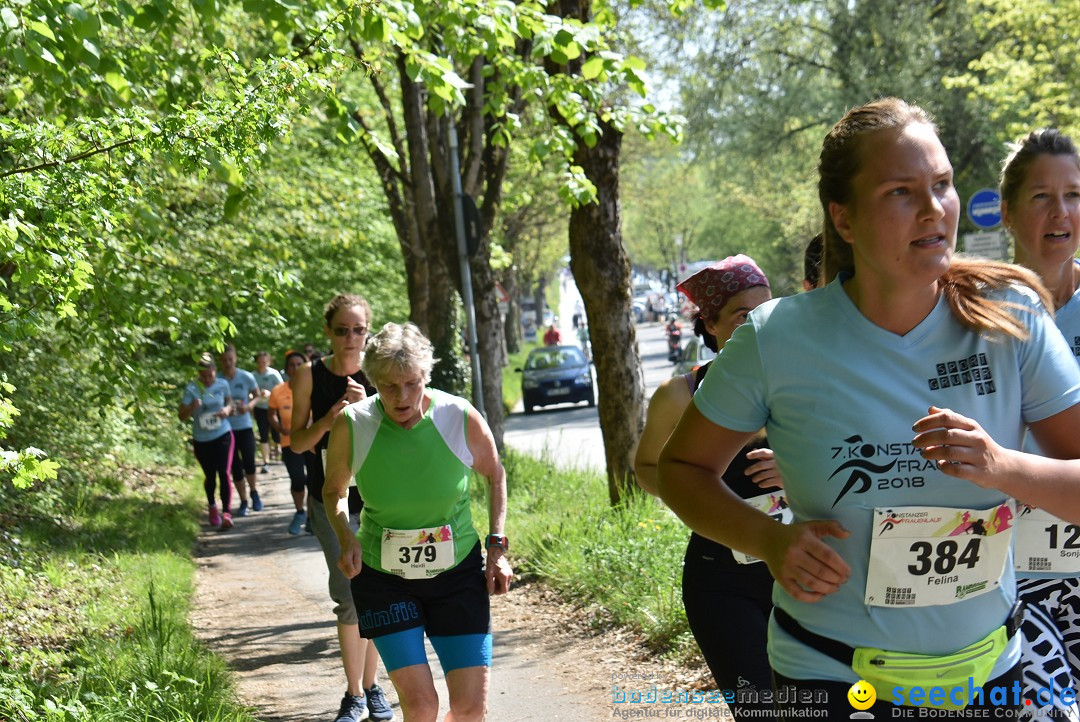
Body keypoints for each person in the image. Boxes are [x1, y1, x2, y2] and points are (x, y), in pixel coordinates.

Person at [657, 97, 1080, 719]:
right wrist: (767, 541)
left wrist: (1002, 467)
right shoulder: (776, 338)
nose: (934, 208)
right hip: (831, 674)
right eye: (901, 192)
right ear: (844, 219)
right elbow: (680, 470)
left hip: (988, 673)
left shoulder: (1011, 319)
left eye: (942, 185)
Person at [323, 322, 513, 722]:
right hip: (384, 577)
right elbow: (334, 491)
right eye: (389, 386)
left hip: (457, 573)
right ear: (372, 381)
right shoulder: (353, 424)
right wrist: (346, 535)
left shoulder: (457, 416)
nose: (402, 396)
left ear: (426, 376)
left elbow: (495, 474)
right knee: (421, 707)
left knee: (470, 709)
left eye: (412, 383)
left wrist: (496, 547)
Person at [634, 255, 781, 718]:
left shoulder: (804, 383)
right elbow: (645, 467)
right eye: (742, 314)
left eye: (766, 309)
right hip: (722, 580)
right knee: (760, 710)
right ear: (710, 323)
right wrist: (697, 485)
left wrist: (800, 468)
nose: (759, 322)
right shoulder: (680, 394)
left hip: (804, 565)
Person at [1001, 128, 1080, 719]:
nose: (1061, 213)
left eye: (1074, 194)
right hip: (1005, 561)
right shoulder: (972, 309)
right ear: (1006, 211)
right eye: (1041, 197)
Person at [290, 294, 392, 722]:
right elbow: (296, 443)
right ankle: (353, 694)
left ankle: (372, 687)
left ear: (368, 332)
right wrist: (333, 416)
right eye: (342, 330)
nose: (351, 338)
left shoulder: (381, 374)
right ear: (328, 332)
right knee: (350, 594)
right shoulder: (308, 376)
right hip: (328, 498)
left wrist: (368, 402)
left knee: (375, 593)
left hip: (379, 501)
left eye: (359, 330)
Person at [178, 353, 235, 530]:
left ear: (214, 371)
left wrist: (226, 410)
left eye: (210, 376)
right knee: (210, 476)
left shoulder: (222, 384)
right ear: (198, 374)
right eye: (203, 377)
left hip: (223, 434)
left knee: (224, 473)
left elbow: (230, 403)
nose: (207, 380)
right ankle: (212, 506)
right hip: (202, 439)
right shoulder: (192, 388)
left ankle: (227, 513)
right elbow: (181, 416)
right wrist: (191, 407)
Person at [269, 351, 310, 536]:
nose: (295, 368)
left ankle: (312, 518)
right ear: (287, 368)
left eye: (299, 364)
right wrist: (280, 428)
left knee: (315, 480)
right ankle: (300, 512)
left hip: (312, 441)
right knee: (298, 478)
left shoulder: (313, 387)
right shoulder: (278, 391)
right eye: (292, 365)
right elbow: (271, 414)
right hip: (289, 442)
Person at [252, 350, 284, 473]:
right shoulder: (253, 375)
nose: (262, 364)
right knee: (263, 434)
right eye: (260, 362)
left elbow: (283, 389)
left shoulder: (274, 374)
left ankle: (278, 449)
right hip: (260, 408)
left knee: (276, 433)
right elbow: (249, 392)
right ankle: (266, 461)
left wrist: (271, 394)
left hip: (274, 408)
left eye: (264, 362)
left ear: (269, 362)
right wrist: (253, 396)